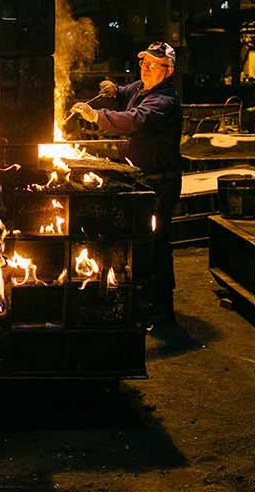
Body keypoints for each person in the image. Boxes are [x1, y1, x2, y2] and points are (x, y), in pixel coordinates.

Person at [70, 42, 182, 322]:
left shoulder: (164, 101)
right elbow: (125, 93)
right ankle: (143, 299)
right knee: (142, 242)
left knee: (156, 244)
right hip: (142, 177)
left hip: (160, 183)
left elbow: (134, 119)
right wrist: (113, 90)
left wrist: (96, 116)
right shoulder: (142, 87)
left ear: (168, 71)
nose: (146, 67)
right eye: (144, 62)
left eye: (153, 64)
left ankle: (161, 308)